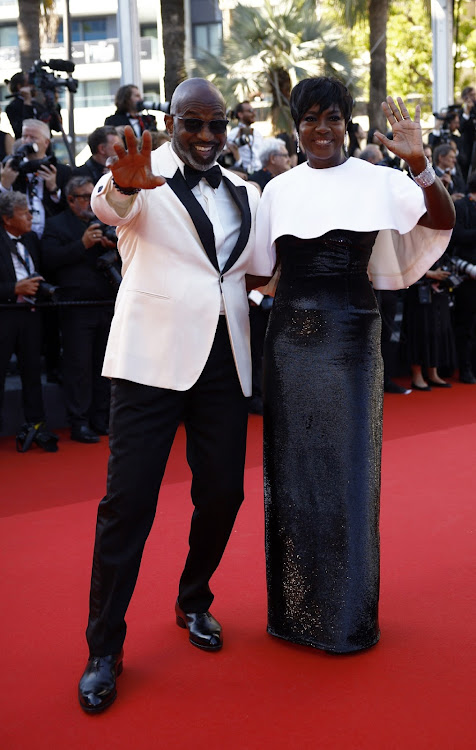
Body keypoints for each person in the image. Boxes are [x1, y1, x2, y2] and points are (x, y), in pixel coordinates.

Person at [78, 77, 268, 713]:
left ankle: (194, 598)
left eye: (216, 125)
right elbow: (112, 207)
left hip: (224, 361)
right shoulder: (142, 174)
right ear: (171, 120)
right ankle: (103, 647)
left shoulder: (247, 191)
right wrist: (125, 183)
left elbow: (262, 271)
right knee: (127, 503)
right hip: (149, 363)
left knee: (224, 493)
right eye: (194, 124)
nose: (207, 136)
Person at [255, 77, 455, 654]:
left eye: (333, 117)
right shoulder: (278, 190)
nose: (322, 129)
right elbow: (259, 271)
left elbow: (439, 222)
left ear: (348, 123)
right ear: (296, 127)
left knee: (348, 471)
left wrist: (419, 163)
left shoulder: (379, 180)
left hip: (351, 336)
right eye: (311, 118)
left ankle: (346, 617)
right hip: (289, 340)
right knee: (291, 474)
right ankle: (294, 613)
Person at [42, 177, 118, 442]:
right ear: (70, 199)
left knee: (104, 366)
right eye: (84, 197)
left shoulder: (107, 222)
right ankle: (79, 421)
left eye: (93, 195)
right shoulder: (55, 225)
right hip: (75, 306)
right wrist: (82, 245)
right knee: (79, 367)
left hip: (106, 303)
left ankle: (100, 418)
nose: (90, 201)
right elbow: (48, 260)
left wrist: (114, 246)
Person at [0, 191, 58, 450]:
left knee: (33, 373)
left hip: (31, 316)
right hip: (4, 316)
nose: (30, 218)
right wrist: (14, 288)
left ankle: (37, 425)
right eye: (24, 213)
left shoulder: (32, 238)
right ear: (6, 218)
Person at [449, 171, 476, 384]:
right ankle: (464, 368)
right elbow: (457, 236)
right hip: (467, 276)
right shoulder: (461, 207)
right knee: (465, 324)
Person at [228, 101, 265, 174]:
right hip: (242, 173)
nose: (254, 113)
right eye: (250, 111)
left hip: (259, 172)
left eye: (254, 110)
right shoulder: (233, 134)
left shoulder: (257, 134)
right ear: (240, 114)